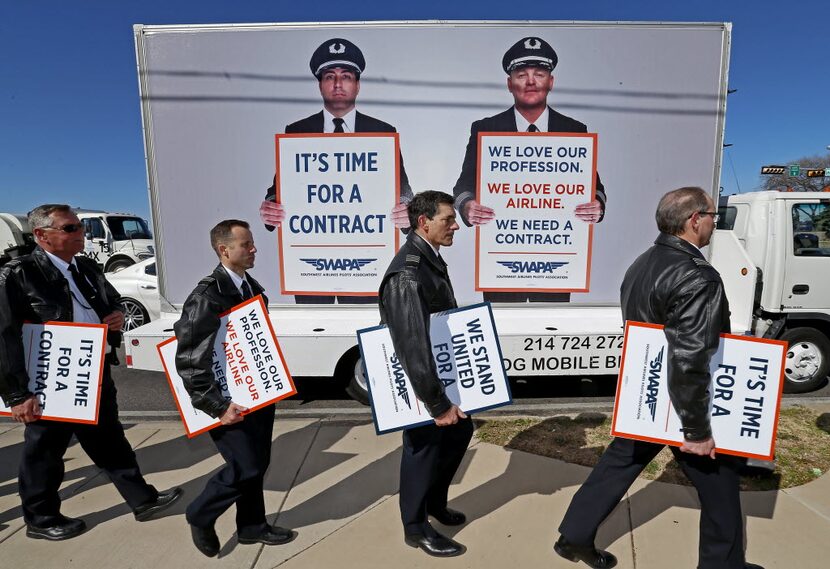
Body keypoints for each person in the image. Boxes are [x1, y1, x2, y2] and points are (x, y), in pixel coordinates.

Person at [554, 187, 763, 569]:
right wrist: (697, 431)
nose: (716, 222)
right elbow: (689, 359)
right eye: (713, 215)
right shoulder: (698, 277)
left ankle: (574, 537)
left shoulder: (643, 262)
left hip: (646, 394)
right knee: (720, 487)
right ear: (693, 220)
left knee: (618, 464)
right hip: (681, 401)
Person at [0, 204, 181, 541]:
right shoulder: (18, 274)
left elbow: (109, 304)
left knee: (111, 442)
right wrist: (17, 395)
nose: (80, 233)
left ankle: (142, 499)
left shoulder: (85, 267)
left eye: (79, 227)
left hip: (91, 372)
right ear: (42, 235)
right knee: (44, 453)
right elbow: (4, 337)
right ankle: (40, 518)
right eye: (70, 228)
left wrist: (112, 320)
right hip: (50, 381)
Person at [452, 36, 607, 302]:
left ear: (551, 82)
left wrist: (597, 204)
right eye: (522, 74)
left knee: (549, 333)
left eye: (539, 74)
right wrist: (467, 205)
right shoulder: (486, 129)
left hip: (556, 264)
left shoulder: (574, 129)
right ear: (509, 84)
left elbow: (595, 188)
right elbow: (463, 186)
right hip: (501, 263)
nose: (531, 81)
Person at [259, 37, 413, 304]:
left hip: (365, 264)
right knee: (316, 332)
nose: (338, 84)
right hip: (312, 265)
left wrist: (407, 208)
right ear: (320, 84)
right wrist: (271, 205)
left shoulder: (382, 132)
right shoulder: (297, 131)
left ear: (358, 84)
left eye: (346, 76)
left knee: (364, 334)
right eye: (330, 76)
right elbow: (281, 189)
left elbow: (403, 189)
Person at [174, 219, 295, 557]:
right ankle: (200, 513)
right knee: (246, 465)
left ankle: (252, 526)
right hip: (227, 402)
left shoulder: (250, 287)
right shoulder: (206, 296)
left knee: (258, 463)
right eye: (246, 244)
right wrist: (215, 405)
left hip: (255, 397)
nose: (254, 248)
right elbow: (189, 358)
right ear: (224, 250)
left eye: (252, 243)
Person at [378, 190, 473, 557]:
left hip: (436, 378)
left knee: (460, 431)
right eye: (449, 219)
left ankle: (434, 503)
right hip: (422, 386)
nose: (456, 225)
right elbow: (413, 346)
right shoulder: (408, 273)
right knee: (422, 450)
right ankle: (415, 528)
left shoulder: (429, 258)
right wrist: (436, 404)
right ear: (424, 222)